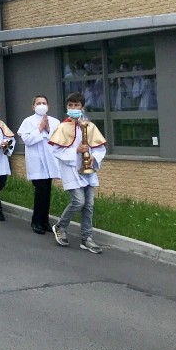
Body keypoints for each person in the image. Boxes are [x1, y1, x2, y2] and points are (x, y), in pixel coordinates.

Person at [48, 93, 107, 254]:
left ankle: (86, 238)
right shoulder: (62, 127)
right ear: (67, 108)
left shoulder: (89, 126)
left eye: (76, 106)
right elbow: (56, 150)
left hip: (88, 169)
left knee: (89, 205)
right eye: (70, 106)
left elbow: (100, 147)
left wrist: (94, 157)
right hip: (71, 169)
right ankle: (60, 226)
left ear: (82, 107)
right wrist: (76, 151)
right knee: (78, 201)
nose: (73, 109)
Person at [17, 95, 61, 234]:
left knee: (47, 192)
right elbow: (28, 140)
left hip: (49, 162)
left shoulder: (55, 121)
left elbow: (58, 140)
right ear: (33, 107)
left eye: (44, 103)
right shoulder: (28, 121)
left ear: (48, 106)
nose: (41, 105)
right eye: (38, 103)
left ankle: (45, 220)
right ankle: (36, 221)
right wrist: (40, 129)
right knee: (40, 191)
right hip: (36, 162)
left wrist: (48, 130)